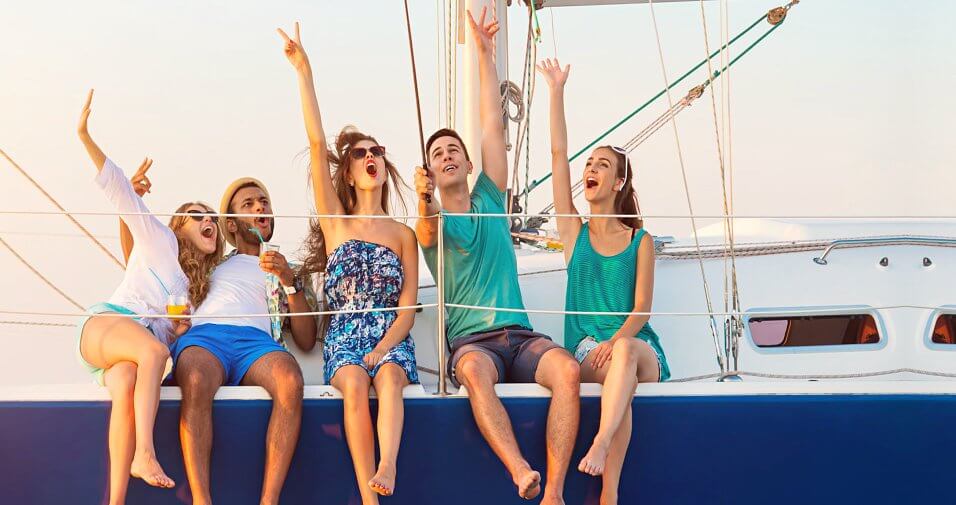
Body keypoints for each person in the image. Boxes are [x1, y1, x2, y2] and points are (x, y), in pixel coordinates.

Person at [413, 9, 580, 505]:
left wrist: (485, 55)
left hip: (520, 334)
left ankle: (554, 493)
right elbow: (422, 224)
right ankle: (519, 470)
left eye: (453, 150)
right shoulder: (434, 223)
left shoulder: (489, 195)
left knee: (567, 372)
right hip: (473, 343)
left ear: (466, 163)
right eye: (437, 152)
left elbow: (491, 123)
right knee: (471, 375)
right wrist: (423, 198)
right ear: (431, 169)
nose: (446, 155)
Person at [278, 23, 419, 503]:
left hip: (390, 334)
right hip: (345, 334)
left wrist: (385, 347)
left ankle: (388, 465)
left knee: (392, 379)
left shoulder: (403, 234)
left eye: (377, 151)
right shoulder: (336, 223)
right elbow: (317, 146)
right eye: (360, 153)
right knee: (356, 383)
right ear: (351, 170)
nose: (370, 157)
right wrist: (304, 71)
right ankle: (369, 496)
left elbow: (407, 309)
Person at [76, 90, 222, 504]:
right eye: (198, 215)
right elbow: (120, 192)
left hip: (122, 356)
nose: (209, 220)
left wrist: (177, 330)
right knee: (154, 356)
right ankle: (145, 452)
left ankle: (116, 499)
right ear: (178, 224)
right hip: (105, 324)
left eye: (212, 217)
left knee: (127, 383)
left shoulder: (192, 292)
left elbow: (165, 339)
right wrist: (85, 136)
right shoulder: (159, 239)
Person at [538, 58, 671, 505]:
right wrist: (556, 92)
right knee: (620, 371)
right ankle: (609, 494)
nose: (590, 169)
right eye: (589, 164)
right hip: (587, 349)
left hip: (634, 344)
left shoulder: (641, 241)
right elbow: (559, 157)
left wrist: (618, 340)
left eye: (602, 165)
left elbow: (642, 311)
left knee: (627, 356)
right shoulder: (574, 234)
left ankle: (599, 443)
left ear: (618, 182)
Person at [167, 173, 319, 505]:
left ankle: (269, 500)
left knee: (290, 380)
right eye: (248, 204)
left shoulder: (289, 269)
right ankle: (201, 500)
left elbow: (307, 340)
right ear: (232, 225)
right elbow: (153, 258)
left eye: (263, 201)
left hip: (257, 343)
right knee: (194, 377)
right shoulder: (211, 263)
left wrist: (289, 281)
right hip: (208, 337)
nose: (259, 206)